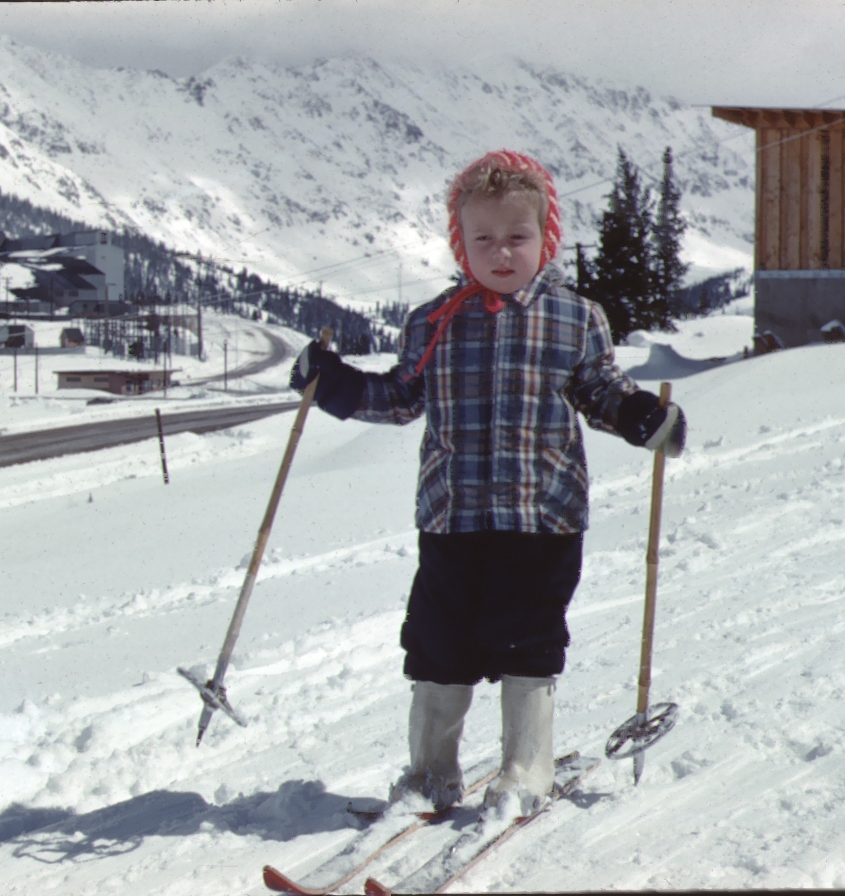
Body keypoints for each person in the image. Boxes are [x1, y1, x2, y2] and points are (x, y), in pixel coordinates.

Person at [290, 149, 687, 818]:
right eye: (483, 239)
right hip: (454, 514)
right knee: (437, 644)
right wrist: (334, 385)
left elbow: (598, 390)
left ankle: (525, 772)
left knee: (526, 639)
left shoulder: (574, 317)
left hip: (543, 515)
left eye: (516, 237)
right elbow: (398, 396)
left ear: (545, 238)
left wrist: (641, 416)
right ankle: (429, 774)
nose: (500, 253)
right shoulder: (433, 320)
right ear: (460, 243)